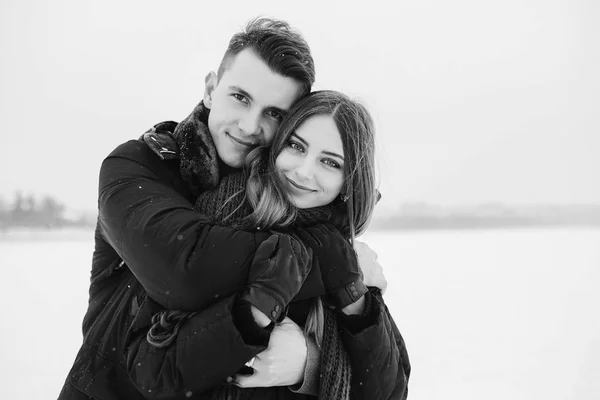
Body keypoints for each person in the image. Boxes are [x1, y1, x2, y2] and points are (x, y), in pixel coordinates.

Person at [58, 18, 396, 400]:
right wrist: (335, 265)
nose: (250, 126)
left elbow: (389, 382)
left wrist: (311, 363)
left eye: (274, 114)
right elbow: (185, 270)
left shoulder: (305, 214)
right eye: (240, 97)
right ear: (210, 89)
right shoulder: (139, 166)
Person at [123, 91, 410, 400]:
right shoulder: (217, 219)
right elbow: (151, 368)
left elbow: (390, 392)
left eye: (330, 162)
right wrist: (256, 310)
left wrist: (313, 360)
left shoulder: (342, 253)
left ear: (348, 182)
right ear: (277, 145)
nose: (303, 171)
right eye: (296, 146)